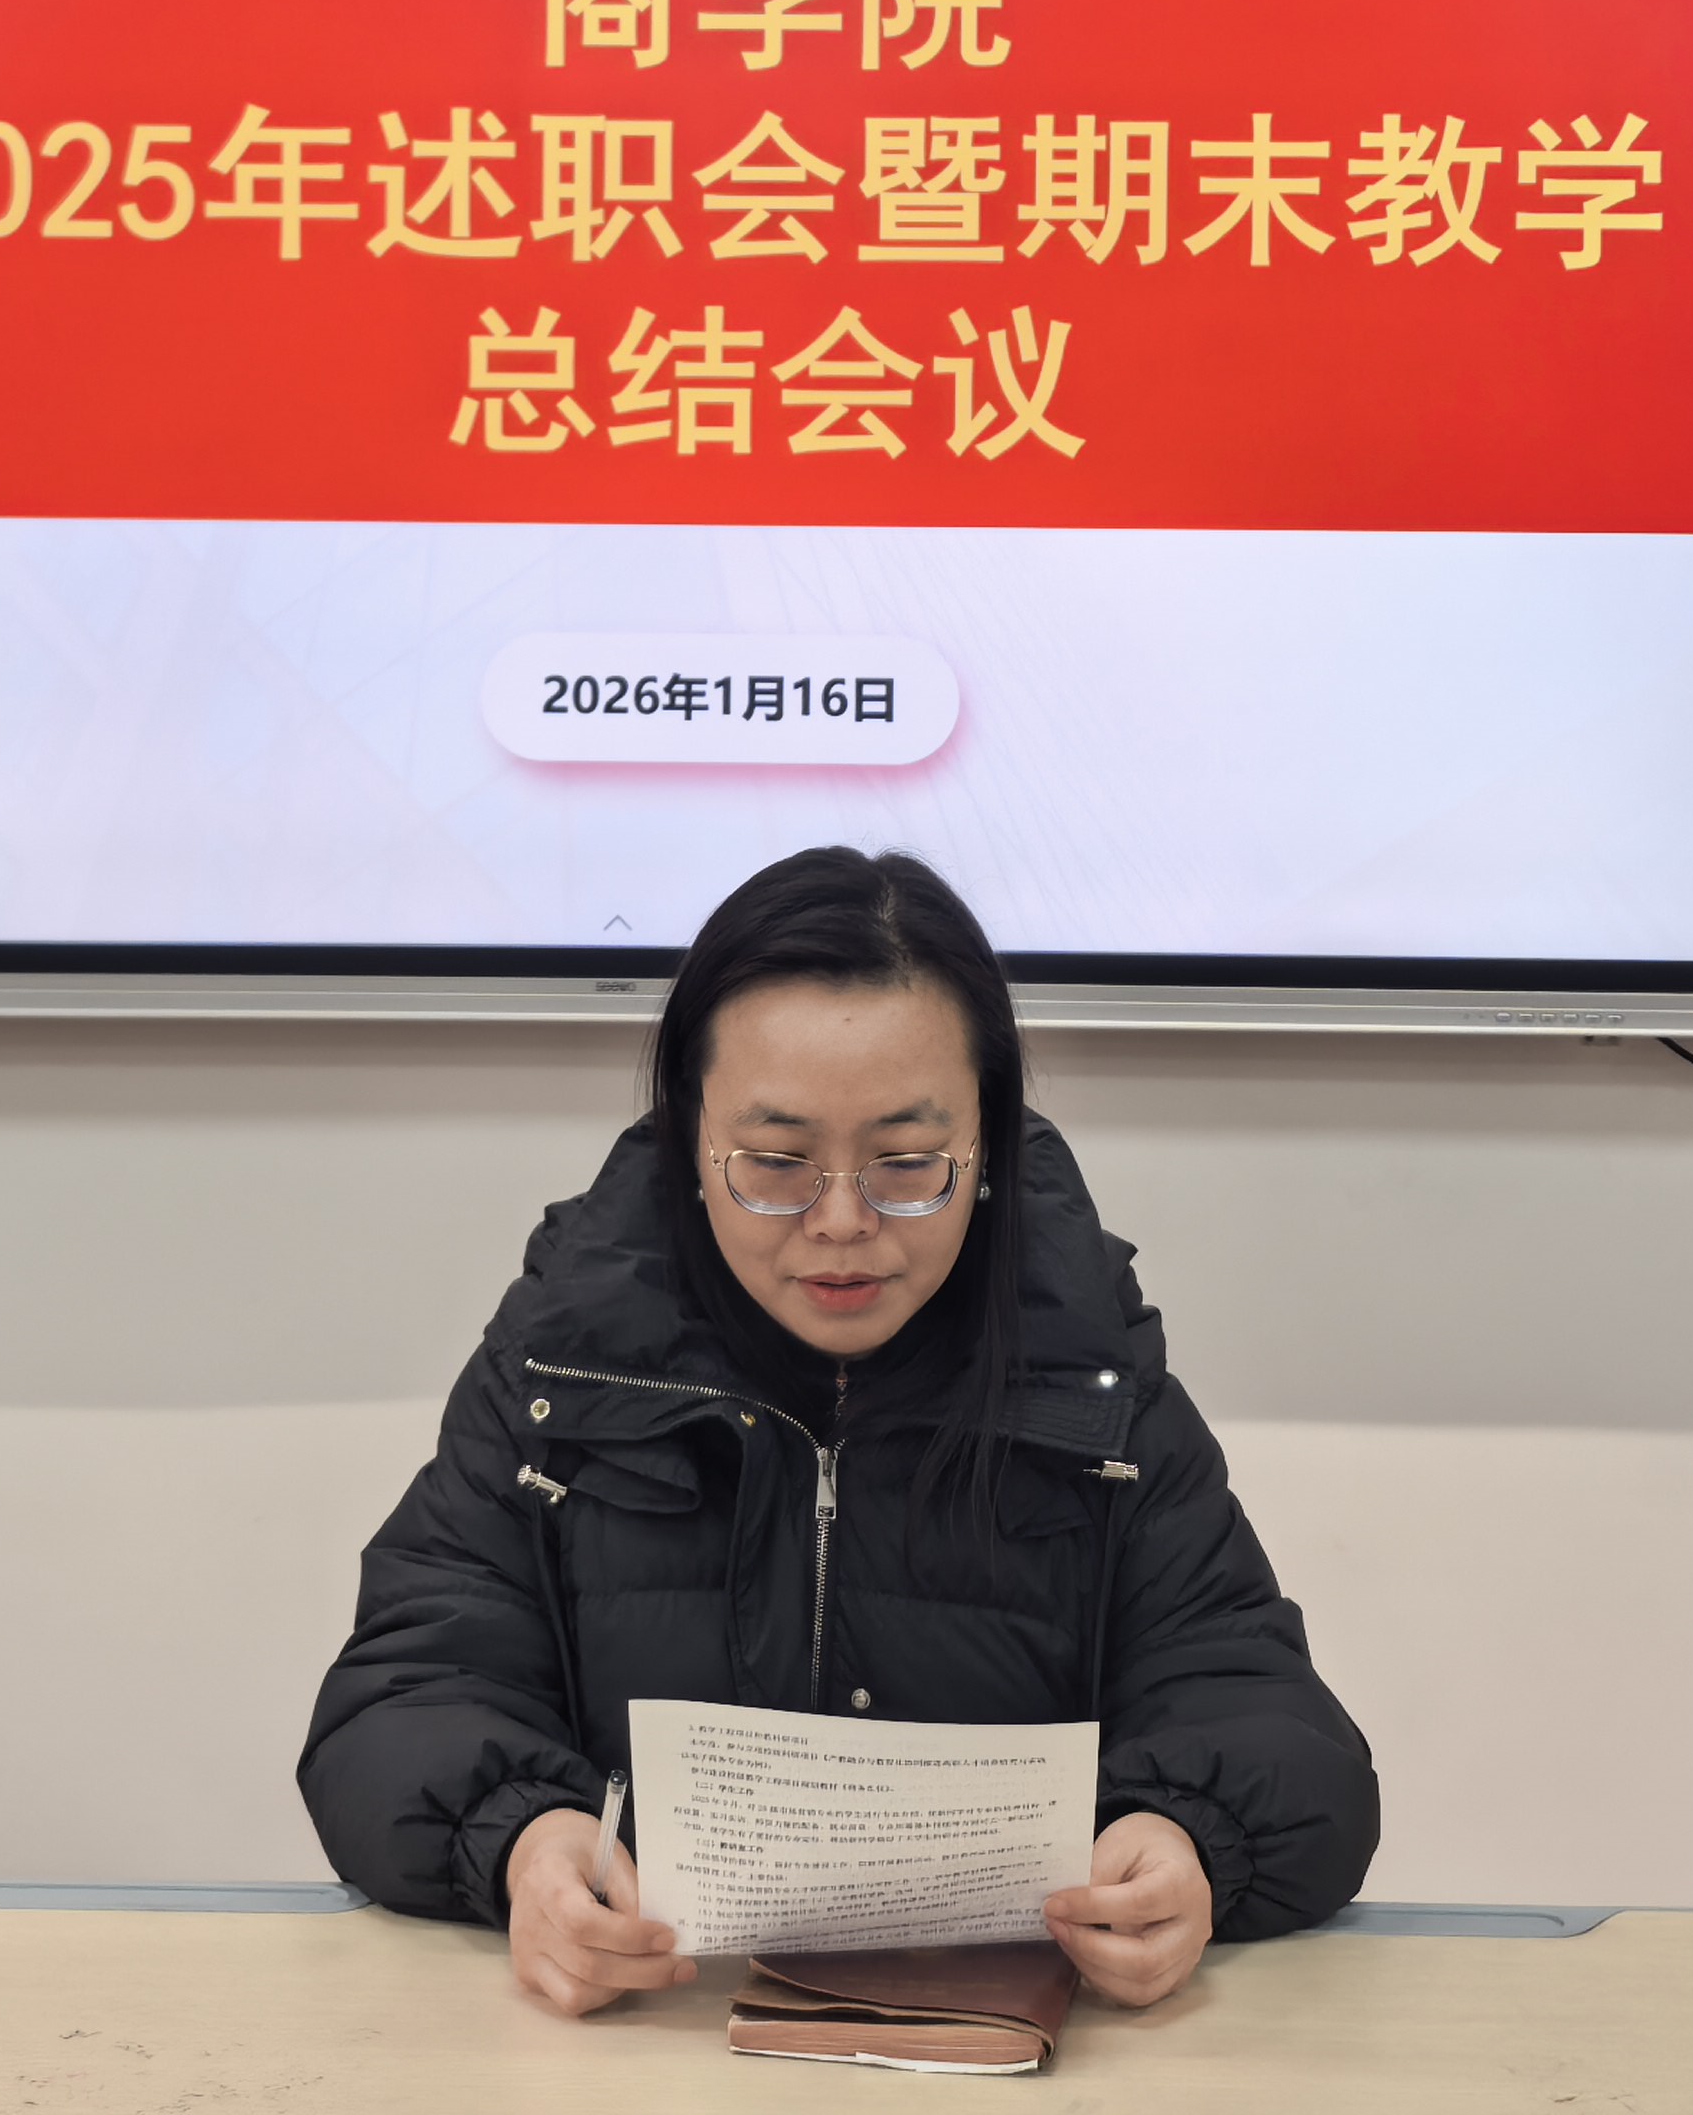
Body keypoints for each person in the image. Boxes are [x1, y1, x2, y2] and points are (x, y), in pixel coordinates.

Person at [299, 846, 1378, 2016]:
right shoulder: (560, 1365)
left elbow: (1262, 1714)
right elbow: (402, 1696)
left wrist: (1186, 1838)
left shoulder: (1088, 1373)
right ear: (692, 1140)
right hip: (653, 2032)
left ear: (987, 1143)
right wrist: (524, 1840)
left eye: (908, 1164)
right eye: (776, 1163)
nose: (844, 1222)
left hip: (993, 2057)